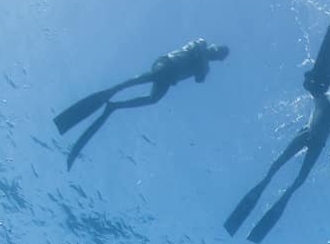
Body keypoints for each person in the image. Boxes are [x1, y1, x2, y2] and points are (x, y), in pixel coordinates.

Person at [54, 39, 230, 170]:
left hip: (170, 78)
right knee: (154, 76)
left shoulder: (205, 65)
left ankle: (114, 106)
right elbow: (198, 52)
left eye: (219, 57)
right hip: (166, 64)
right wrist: (203, 60)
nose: (216, 55)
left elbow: (200, 79)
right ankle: (118, 88)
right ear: (215, 46)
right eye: (218, 51)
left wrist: (203, 63)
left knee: (153, 99)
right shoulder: (202, 43)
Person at [224, 78, 330, 243]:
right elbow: (308, 85)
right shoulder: (322, 96)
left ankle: (285, 195)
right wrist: (313, 77)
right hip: (305, 133)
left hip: (318, 143)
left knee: (300, 178)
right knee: (278, 163)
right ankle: (265, 183)